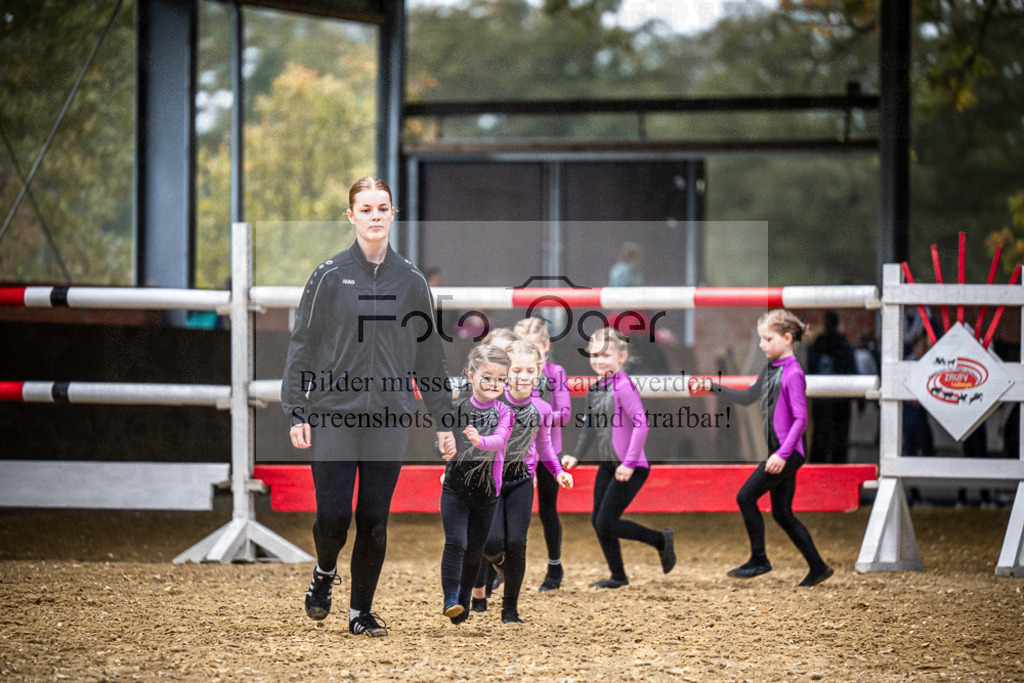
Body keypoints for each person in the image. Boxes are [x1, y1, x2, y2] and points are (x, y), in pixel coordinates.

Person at [281, 177, 455, 637]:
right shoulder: (329, 276)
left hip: (390, 416)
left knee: (374, 519)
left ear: (392, 214)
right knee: (334, 518)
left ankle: (361, 611)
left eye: (383, 208)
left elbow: (428, 357)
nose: (375, 215)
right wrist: (297, 407)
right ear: (351, 215)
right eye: (367, 208)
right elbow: (303, 344)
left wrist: (444, 420)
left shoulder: (412, 281)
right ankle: (323, 572)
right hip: (335, 411)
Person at [712, 309, 833, 587]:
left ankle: (759, 559)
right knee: (782, 513)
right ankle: (818, 567)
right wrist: (713, 388)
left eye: (767, 339)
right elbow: (746, 398)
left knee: (745, 497)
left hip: (786, 453)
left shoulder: (793, 374)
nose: (761, 345)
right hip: (781, 452)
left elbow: (801, 419)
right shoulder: (770, 369)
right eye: (760, 339)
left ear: (787, 338)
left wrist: (782, 454)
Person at [562, 327, 676, 588]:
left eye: (606, 355)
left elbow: (641, 424)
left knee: (606, 521)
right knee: (598, 521)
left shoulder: (623, 386)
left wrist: (629, 462)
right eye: (594, 355)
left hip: (631, 467)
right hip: (610, 464)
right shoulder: (595, 390)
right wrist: (576, 457)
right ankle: (618, 576)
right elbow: (589, 427)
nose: (599, 360)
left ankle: (660, 539)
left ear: (621, 357)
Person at [469, 339, 573, 623]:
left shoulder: (541, 409)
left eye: (530, 371)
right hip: (490, 481)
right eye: (516, 370)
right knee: (490, 543)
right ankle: (500, 566)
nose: (523, 376)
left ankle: (510, 609)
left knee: (517, 542)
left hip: (521, 480)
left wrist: (557, 471)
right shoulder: (491, 403)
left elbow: (544, 446)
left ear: (538, 373)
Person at [438, 344, 514, 624]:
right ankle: (450, 598)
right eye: (487, 377)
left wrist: (478, 441)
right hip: (455, 489)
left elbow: (501, 440)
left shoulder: (505, 412)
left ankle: (464, 600)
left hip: (486, 494)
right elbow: (443, 439)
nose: (494, 384)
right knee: (456, 541)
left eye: (500, 379)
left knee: (474, 551)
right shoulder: (458, 409)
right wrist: (443, 447)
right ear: (471, 376)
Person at [513, 317, 572, 592]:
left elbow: (566, 413)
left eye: (534, 348)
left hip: (549, 449)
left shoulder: (555, 372)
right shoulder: (511, 374)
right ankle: (504, 565)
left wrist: (540, 415)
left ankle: (554, 566)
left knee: (548, 510)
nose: (528, 354)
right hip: (517, 452)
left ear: (546, 346)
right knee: (511, 510)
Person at [807, 310, 857, 463]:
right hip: (840, 399)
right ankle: (838, 472)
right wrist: (860, 401)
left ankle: (816, 472)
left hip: (820, 398)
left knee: (820, 437)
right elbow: (852, 371)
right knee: (840, 438)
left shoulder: (816, 344)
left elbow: (810, 368)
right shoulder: (843, 344)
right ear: (837, 324)